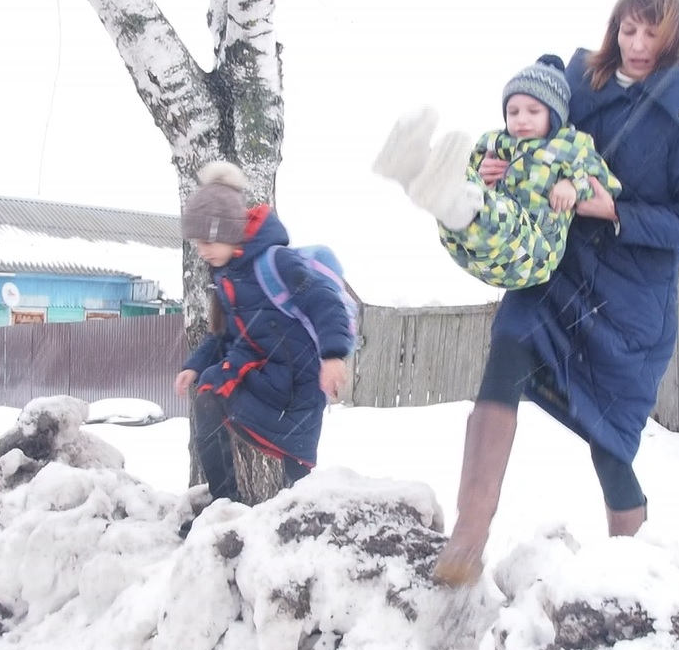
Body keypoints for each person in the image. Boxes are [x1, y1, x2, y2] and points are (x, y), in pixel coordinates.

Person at [432, 0, 679, 586]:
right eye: (628, 30)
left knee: (609, 431)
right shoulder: (581, 82)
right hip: (551, 263)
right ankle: (469, 534)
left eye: (651, 33)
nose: (637, 45)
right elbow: (530, 118)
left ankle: (635, 567)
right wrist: (499, 162)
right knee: (505, 358)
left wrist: (612, 211)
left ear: (674, 38)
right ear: (613, 29)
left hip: (628, 294)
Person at [173, 161, 353, 503]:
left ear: (228, 231)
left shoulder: (277, 262)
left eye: (208, 239)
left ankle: (299, 526)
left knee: (298, 479)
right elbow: (227, 336)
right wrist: (194, 365)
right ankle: (224, 504)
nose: (202, 250)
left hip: (299, 385)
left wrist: (333, 356)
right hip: (265, 376)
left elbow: (326, 302)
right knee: (209, 392)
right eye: (197, 242)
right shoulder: (225, 277)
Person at [373, 55, 622, 290]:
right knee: (469, 190)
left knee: (499, 213)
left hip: (533, 251)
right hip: (471, 246)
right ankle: (413, 167)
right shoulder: (495, 142)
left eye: (533, 111)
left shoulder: (572, 145)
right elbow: (468, 166)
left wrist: (573, 186)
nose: (521, 120)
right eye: (513, 112)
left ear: (555, 114)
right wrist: (479, 172)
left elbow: (603, 180)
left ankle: (447, 193)